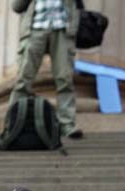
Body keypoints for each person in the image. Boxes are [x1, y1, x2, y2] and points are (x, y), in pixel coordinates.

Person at [9, 0, 82, 140]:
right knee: (23, 79)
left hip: (63, 29)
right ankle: (12, 122)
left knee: (65, 79)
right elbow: (16, 6)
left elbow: (78, 5)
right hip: (34, 29)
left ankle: (67, 124)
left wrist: (74, 24)